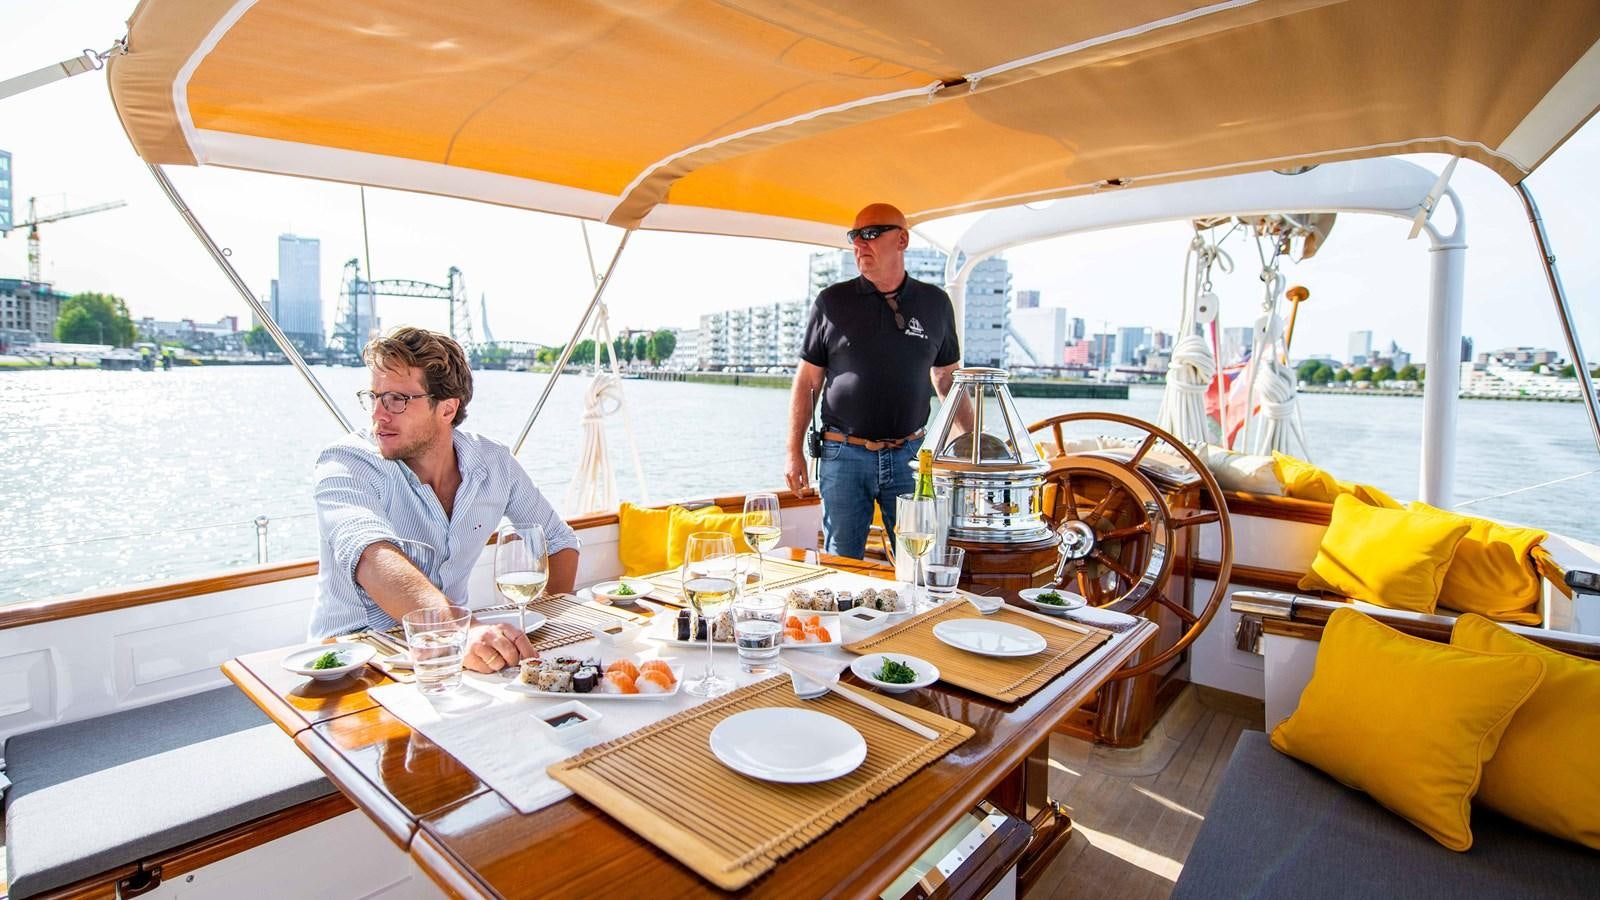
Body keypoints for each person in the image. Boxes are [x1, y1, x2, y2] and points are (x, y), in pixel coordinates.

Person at [310, 326, 580, 672]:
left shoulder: (494, 462)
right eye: (374, 397)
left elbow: (558, 541)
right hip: (356, 661)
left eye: (397, 399)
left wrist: (539, 623)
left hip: (457, 658)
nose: (379, 414)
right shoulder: (345, 462)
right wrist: (459, 630)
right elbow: (371, 556)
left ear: (448, 408)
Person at [786, 203, 961, 558]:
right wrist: (793, 453)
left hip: (911, 456)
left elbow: (947, 378)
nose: (859, 244)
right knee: (842, 564)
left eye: (870, 234)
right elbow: (808, 380)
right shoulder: (832, 301)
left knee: (920, 562)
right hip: (843, 454)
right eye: (854, 236)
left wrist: (973, 444)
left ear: (902, 240)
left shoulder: (935, 303)